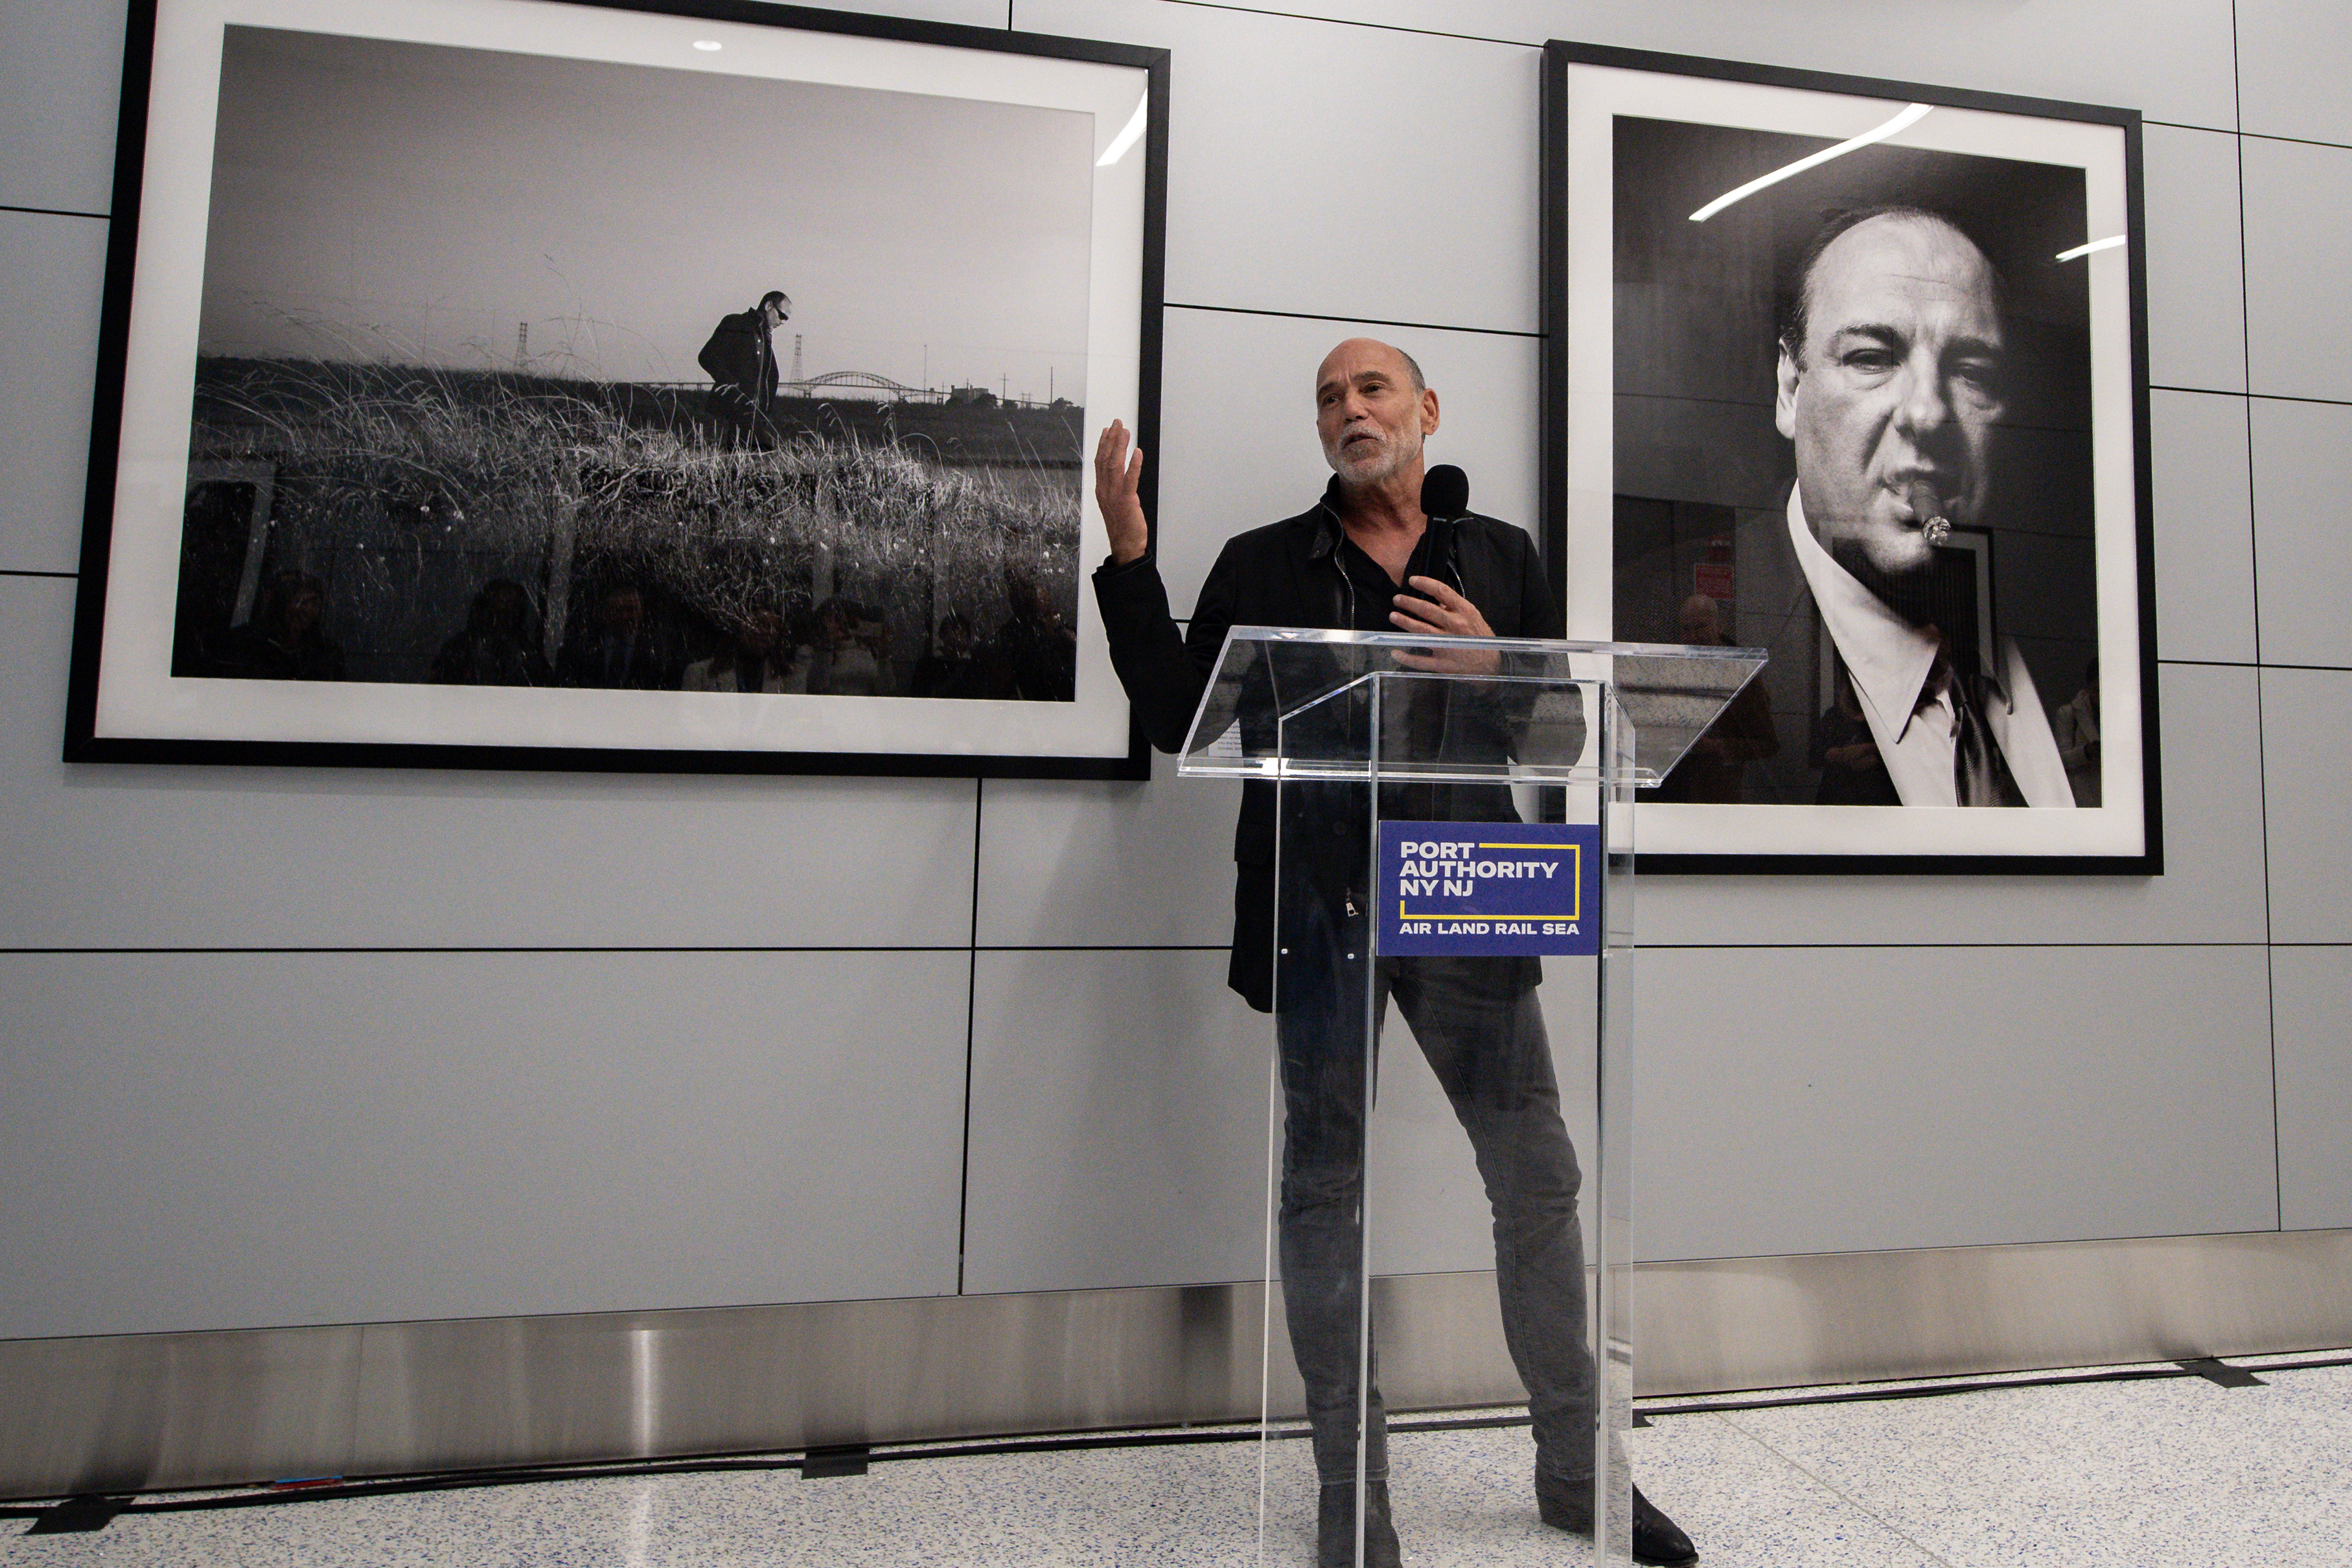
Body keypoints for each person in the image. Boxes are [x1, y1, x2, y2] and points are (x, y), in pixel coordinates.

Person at [1092, 338, 1696, 1568]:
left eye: (1372, 390)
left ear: (1427, 411)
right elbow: (1172, 714)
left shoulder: (1501, 558)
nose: (1349, 409)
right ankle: (1348, 1490)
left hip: (1468, 889)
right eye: (1327, 395)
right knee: (1325, 1191)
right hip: (1323, 905)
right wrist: (1131, 556)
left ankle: (1580, 1469)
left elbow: (1562, 741)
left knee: (1537, 1179)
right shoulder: (1265, 562)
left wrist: (1495, 669)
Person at [1772, 205, 2071, 807]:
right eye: (1872, 358)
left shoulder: (2073, 644)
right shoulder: (1688, 671)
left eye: (1972, 371)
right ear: (1789, 390)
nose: (1929, 413)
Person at [1648, 592, 1779, 802]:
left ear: (1719, 626)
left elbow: (1767, 744)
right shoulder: (1673, 670)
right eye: (1686, 630)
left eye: (1700, 628)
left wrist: (1716, 747)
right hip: (1671, 789)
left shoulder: (1742, 674)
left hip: (1717, 793)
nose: (1692, 637)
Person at [698, 288, 791, 448]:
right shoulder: (735, 323)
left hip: (754, 419)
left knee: (763, 459)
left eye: (786, 319)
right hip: (730, 415)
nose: (782, 322)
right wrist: (731, 385)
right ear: (769, 305)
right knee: (728, 464)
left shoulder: (764, 336)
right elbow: (707, 357)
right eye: (782, 316)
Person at [557, 582, 680, 691]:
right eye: (618, 610)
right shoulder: (579, 650)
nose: (625, 616)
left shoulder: (658, 655)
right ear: (605, 613)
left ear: (641, 613)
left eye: (631, 610)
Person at [432, 579, 551, 687]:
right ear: (486, 606)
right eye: (502, 602)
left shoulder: (529, 654)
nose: (508, 610)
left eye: (513, 604)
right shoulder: (459, 649)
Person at [681, 606, 810, 695]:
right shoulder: (700, 674)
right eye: (758, 624)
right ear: (740, 627)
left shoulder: (792, 678)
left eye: (772, 627)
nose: (764, 632)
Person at [2053, 658, 2101, 806]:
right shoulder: (2069, 713)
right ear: (2089, 687)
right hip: (2083, 796)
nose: (2101, 696)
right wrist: (2086, 752)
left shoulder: (2123, 713)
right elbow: (2061, 761)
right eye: (2097, 690)